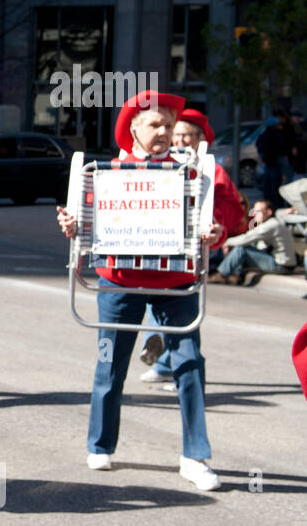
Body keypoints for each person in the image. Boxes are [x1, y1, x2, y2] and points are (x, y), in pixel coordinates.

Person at [57, 91, 239, 491]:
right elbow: (84, 225)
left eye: (169, 125)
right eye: (156, 123)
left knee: (190, 366)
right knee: (110, 365)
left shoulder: (192, 173)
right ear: (133, 127)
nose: (165, 132)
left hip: (176, 284)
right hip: (121, 281)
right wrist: (74, 225)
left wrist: (215, 232)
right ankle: (101, 443)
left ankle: (195, 456)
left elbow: (215, 221)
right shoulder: (107, 173)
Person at [139, 107, 246, 382]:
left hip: (187, 253)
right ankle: (164, 361)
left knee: (182, 314)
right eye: (179, 134)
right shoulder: (158, 161)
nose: (182, 140)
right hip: (155, 246)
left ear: (200, 138)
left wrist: (213, 226)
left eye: (188, 135)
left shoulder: (211, 169)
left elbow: (231, 209)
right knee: (154, 302)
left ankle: (181, 370)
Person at [211, 199, 296, 285]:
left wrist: (226, 242)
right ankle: (235, 275)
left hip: (281, 266)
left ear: (269, 212)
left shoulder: (271, 225)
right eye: (253, 211)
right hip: (282, 263)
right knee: (245, 247)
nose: (254, 214)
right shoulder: (273, 222)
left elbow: (246, 238)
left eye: (258, 211)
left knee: (242, 249)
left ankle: (221, 275)